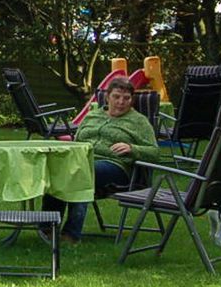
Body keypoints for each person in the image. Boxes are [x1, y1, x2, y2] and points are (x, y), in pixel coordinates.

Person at [48, 75, 159, 244]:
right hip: (82, 160)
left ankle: (70, 234)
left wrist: (133, 148)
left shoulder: (139, 122)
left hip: (116, 166)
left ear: (132, 100)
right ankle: (47, 228)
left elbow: (155, 153)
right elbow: (77, 140)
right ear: (107, 97)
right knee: (57, 170)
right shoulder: (93, 115)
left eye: (126, 98)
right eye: (116, 96)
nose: (121, 102)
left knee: (82, 173)